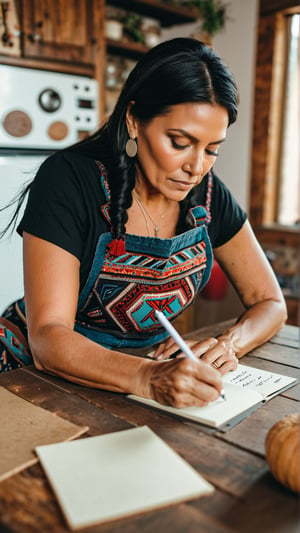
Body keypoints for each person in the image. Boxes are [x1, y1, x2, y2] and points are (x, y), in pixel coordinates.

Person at [0, 38, 287, 408]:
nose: (196, 167)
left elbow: (270, 301)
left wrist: (228, 343)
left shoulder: (209, 195)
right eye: (179, 142)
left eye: (212, 149)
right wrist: (146, 378)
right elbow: (47, 337)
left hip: (137, 383)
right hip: (29, 375)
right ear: (135, 120)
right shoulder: (69, 180)